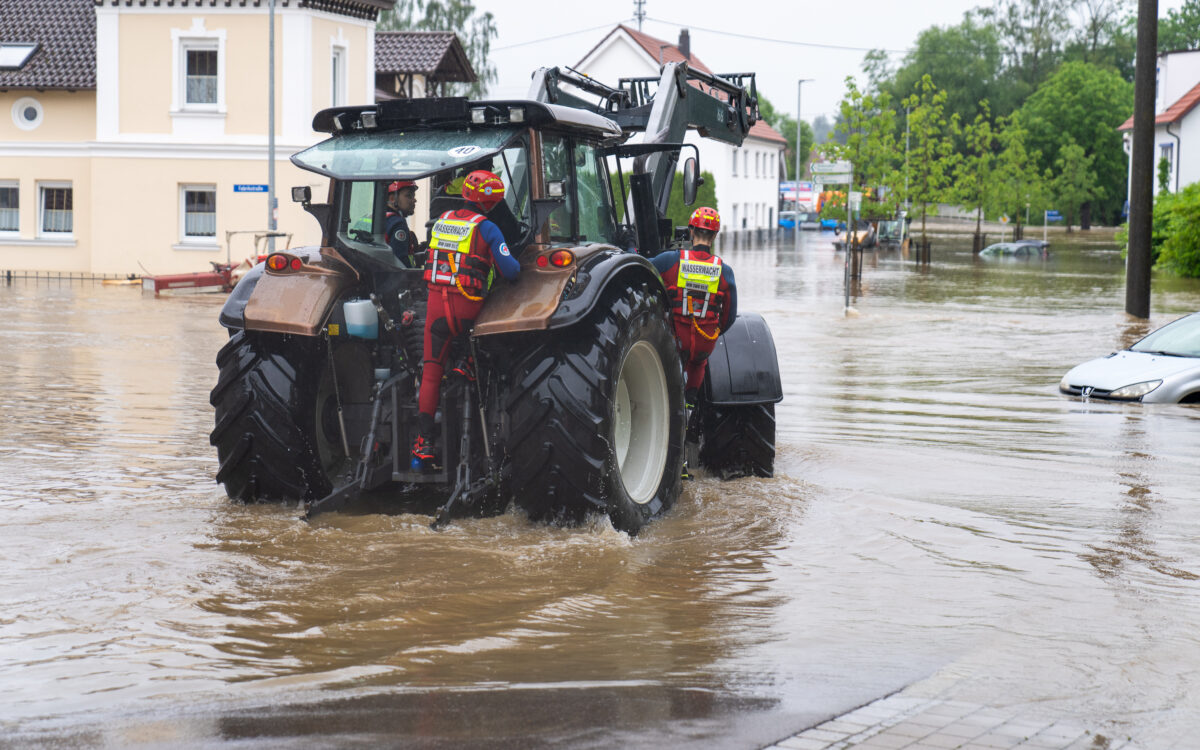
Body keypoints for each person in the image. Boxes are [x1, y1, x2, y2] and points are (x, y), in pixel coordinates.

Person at [411, 169, 521, 467]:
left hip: (436, 310)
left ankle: (423, 446)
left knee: (431, 374)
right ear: (492, 202)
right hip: (469, 312)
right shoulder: (488, 228)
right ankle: (469, 364)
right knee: (496, 324)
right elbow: (510, 270)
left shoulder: (441, 223)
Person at [650, 206, 738, 406]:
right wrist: (714, 330)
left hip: (675, 337)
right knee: (698, 363)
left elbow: (640, 265)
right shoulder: (725, 271)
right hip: (704, 341)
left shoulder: (670, 260)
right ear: (715, 236)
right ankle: (689, 404)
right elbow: (729, 316)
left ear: (691, 231)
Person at [384, 180, 420, 267]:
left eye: (413, 196)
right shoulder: (398, 224)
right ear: (392, 199)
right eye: (409, 196)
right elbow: (401, 263)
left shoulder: (374, 217)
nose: (414, 200)